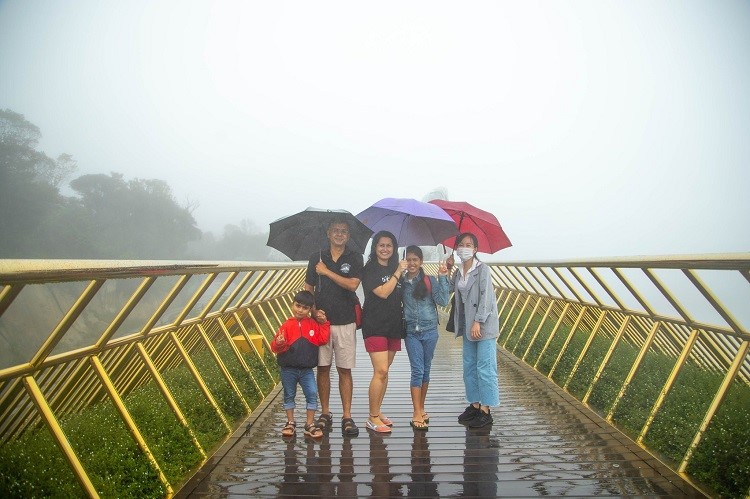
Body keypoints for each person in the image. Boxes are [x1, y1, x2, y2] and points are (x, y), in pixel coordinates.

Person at [305, 217, 364, 436]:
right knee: (322, 368)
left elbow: (353, 284)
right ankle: (326, 412)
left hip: (346, 321)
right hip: (321, 322)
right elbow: (308, 288)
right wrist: (312, 311)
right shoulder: (316, 258)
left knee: (344, 369)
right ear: (328, 234)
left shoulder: (355, 257)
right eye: (336, 231)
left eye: (344, 231)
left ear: (348, 236)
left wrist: (327, 272)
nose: (340, 234)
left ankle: (347, 415)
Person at [448, 232, 500, 428]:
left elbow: (487, 298)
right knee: (469, 366)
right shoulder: (459, 270)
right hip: (468, 325)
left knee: (485, 368)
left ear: (476, 249)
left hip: (483, 325)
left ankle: (486, 410)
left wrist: (478, 321)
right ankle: (474, 404)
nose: (464, 247)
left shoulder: (482, 269)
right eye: (461, 244)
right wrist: (447, 269)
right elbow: (449, 290)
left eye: (469, 244)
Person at [360, 230, 408, 433]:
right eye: (381, 245)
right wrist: (398, 272)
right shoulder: (369, 269)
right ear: (375, 247)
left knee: (384, 371)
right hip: (375, 324)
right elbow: (382, 292)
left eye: (389, 245)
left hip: (393, 325)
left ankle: (377, 412)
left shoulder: (397, 268)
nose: (385, 249)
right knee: (380, 371)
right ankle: (371, 417)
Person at [270, 290, 330, 439]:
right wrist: (279, 343)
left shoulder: (313, 324)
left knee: (311, 393)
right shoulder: (286, 325)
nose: (300, 310)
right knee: (289, 395)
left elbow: (322, 339)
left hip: (307, 370)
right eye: (298, 306)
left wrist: (324, 323)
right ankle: (290, 422)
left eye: (305, 308)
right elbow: (275, 347)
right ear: (292, 305)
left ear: (310, 310)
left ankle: (309, 424)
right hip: (288, 369)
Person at [402, 245, 449, 430]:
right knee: (417, 370)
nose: (412, 263)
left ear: (421, 261)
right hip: (411, 332)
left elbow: (443, 301)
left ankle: (421, 407)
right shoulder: (401, 282)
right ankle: (416, 412)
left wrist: (443, 276)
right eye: (409, 259)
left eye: (415, 259)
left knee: (426, 370)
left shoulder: (429, 280)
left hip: (430, 331)